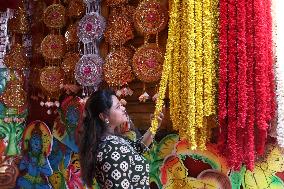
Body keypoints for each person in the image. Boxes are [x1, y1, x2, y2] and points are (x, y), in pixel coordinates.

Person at [79, 89, 164, 188]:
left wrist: (153, 127)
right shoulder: (110, 150)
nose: (123, 108)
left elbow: (138, 148)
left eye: (121, 105)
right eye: (118, 107)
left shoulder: (112, 140)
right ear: (103, 116)